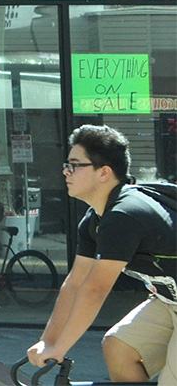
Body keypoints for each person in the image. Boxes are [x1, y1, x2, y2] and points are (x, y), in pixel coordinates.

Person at [27, 125, 177, 384]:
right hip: (168, 301)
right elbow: (75, 283)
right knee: (119, 347)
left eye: (74, 165)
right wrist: (48, 342)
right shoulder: (94, 220)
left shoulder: (124, 215)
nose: (65, 171)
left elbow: (95, 290)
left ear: (104, 172)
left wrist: (60, 349)